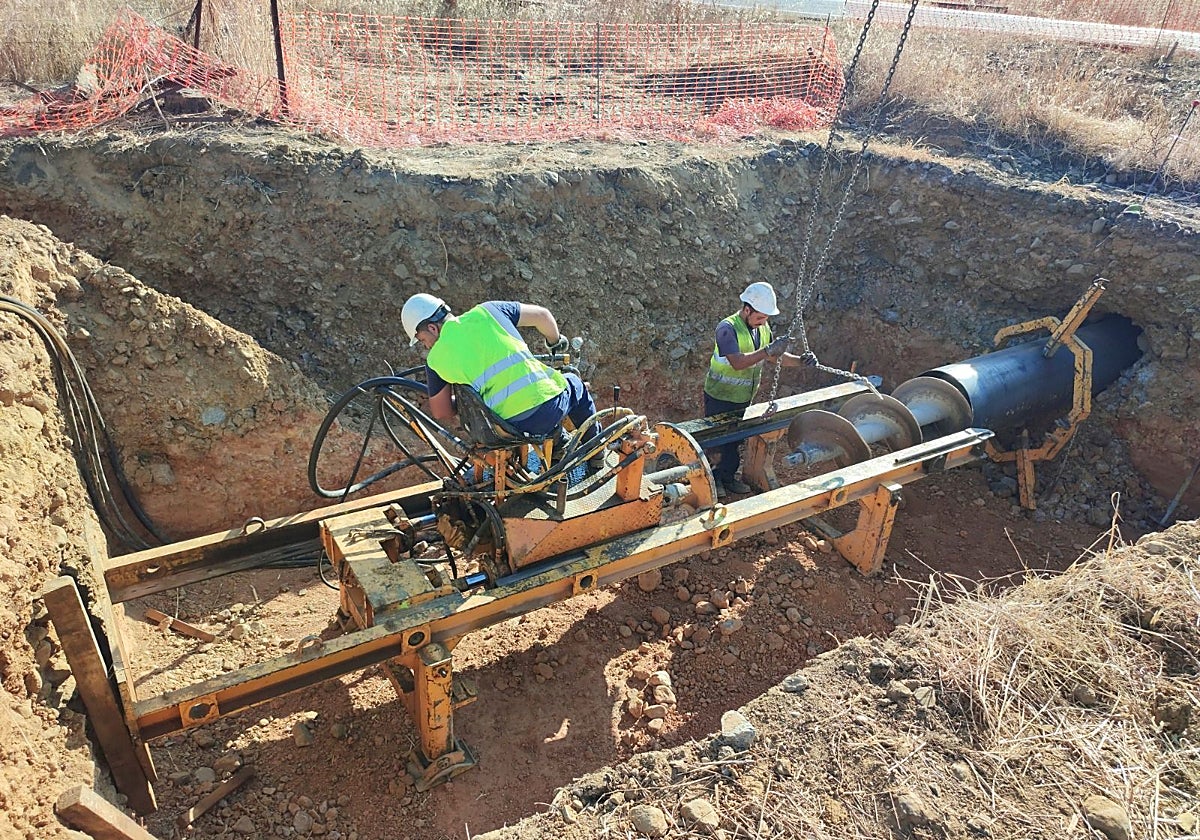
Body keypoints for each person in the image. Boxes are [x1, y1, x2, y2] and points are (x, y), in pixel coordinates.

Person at [401, 294, 597, 444]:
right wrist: (554, 342)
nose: (426, 346)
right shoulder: (488, 311)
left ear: (433, 328)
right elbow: (542, 316)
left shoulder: (435, 361)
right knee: (573, 382)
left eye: (423, 340)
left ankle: (557, 444)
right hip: (548, 409)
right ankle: (595, 449)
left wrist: (469, 401)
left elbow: (441, 411)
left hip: (506, 427)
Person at [702, 281, 806, 497]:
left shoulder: (762, 328)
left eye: (766, 318)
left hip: (742, 397)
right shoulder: (726, 328)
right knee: (717, 440)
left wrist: (801, 361)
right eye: (760, 317)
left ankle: (728, 478)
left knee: (735, 440)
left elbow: (775, 356)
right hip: (720, 396)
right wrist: (767, 351)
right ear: (746, 309)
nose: (763, 322)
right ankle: (713, 481)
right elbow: (738, 362)